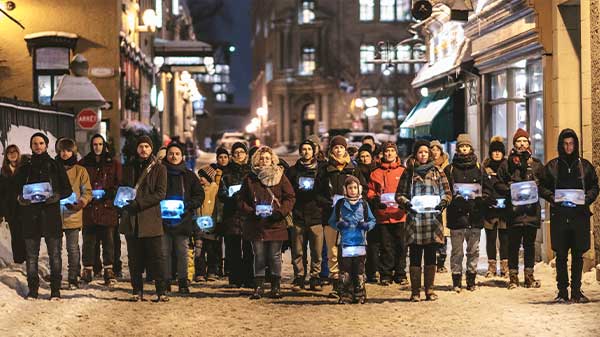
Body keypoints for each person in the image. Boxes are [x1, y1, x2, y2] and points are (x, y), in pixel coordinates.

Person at [540, 129, 599, 303]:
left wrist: (585, 199)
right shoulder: (552, 167)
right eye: (565, 143)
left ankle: (576, 290)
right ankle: (562, 291)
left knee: (578, 255)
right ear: (560, 145)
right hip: (560, 216)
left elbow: (594, 187)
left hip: (579, 216)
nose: (568, 147)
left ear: (576, 144)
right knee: (561, 255)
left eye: (571, 143)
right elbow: (542, 187)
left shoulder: (585, 166)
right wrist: (553, 198)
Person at [16, 133, 72, 299]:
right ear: (31, 146)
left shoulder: (55, 165)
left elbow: (67, 189)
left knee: (55, 255)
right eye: (35, 143)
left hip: (50, 217)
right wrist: (21, 199)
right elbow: (16, 191)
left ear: (46, 145)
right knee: (31, 257)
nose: (38, 146)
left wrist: (56, 196)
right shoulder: (25, 167)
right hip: (30, 217)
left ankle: (55, 289)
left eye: (41, 143)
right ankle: (33, 289)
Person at [395, 140, 451, 302]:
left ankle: (430, 290)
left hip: (432, 221)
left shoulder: (438, 172)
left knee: (431, 256)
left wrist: (443, 202)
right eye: (420, 152)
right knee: (414, 256)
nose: (423, 155)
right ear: (415, 154)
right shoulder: (409, 173)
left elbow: (447, 193)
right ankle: (415, 291)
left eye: (426, 152)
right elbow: (399, 195)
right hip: (415, 221)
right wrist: (407, 203)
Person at [238, 146, 295, 299]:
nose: (264, 161)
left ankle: (276, 286)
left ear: (272, 160)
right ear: (256, 159)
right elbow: (241, 200)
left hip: (275, 222)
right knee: (259, 255)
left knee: (275, 255)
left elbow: (290, 197)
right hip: (256, 223)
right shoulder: (250, 178)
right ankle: (258, 286)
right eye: (261, 158)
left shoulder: (280, 176)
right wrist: (251, 211)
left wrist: (280, 212)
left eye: (267, 158)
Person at [315, 135, 367, 298]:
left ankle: (352, 283)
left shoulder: (353, 168)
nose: (338, 150)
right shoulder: (325, 169)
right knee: (332, 251)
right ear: (331, 150)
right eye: (336, 147)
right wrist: (329, 202)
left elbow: (362, 188)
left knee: (350, 250)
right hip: (330, 216)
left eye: (341, 147)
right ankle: (337, 285)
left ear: (346, 149)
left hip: (351, 218)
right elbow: (317, 193)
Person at [120, 136, 168, 302]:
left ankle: (161, 291)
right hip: (132, 219)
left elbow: (160, 193)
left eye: (147, 146)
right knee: (135, 258)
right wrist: (122, 200)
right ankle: (137, 290)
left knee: (157, 257)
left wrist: (139, 203)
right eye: (141, 146)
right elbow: (123, 187)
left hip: (150, 219)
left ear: (151, 148)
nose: (143, 149)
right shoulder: (128, 167)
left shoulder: (159, 168)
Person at [497, 128, 545, 290]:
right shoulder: (507, 164)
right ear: (514, 144)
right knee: (513, 246)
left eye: (525, 141)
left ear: (529, 143)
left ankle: (529, 277)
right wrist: (510, 189)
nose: (522, 144)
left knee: (530, 246)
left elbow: (545, 184)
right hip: (514, 213)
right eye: (519, 141)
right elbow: (498, 183)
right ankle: (513, 277)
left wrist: (536, 186)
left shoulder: (536, 164)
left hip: (531, 212)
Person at [161, 143, 204, 294]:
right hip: (163, 221)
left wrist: (186, 206)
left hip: (182, 221)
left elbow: (199, 195)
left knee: (182, 253)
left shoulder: (189, 175)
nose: (174, 156)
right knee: (164, 253)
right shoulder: (160, 173)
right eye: (171, 153)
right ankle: (165, 282)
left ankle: (183, 282)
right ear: (166, 155)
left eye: (177, 153)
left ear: (182, 156)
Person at [79, 134, 122, 285]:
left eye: (100, 144)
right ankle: (88, 269)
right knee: (88, 240)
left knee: (108, 240)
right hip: (90, 208)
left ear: (104, 146)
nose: (97, 147)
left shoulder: (113, 163)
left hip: (107, 207)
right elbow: (79, 182)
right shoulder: (84, 163)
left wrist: (110, 193)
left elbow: (119, 184)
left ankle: (109, 269)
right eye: (95, 144)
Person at [444, 134, 485, 292]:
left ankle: (471, 279)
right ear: (458, 148)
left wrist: (482, 199)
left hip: (475, 216)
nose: (464, 149)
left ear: (471, 148)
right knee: (457, 251)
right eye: (461, 146)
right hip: (456, 217)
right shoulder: (450, 169)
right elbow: (445, 191)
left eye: (466, 146)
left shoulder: (479, 167)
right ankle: (456, 279)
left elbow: (485, 189)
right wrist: (454, 200)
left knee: (473, 250)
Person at [329, 176, 376, 304]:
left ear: (359, 189)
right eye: (350, 188)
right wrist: (338, 225)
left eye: (355, 188)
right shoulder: (340, 204)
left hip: (360, 242)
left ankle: (360, 293)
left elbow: (372, 220)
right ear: (345, 189)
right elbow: (331, 221)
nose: (353, 190)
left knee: (359, 270)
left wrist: (367, 226)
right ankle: (345, 294)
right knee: (345, 270)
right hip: (344, 243)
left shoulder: (364, 204)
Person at [367, 142, 408, 286]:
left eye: (392, 151)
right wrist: (375, 200)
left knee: (401, 246)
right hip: (383, 216)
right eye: (387, 151)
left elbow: (408, 190)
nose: (389, 154)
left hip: (400, 215)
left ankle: (400, 273)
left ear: (396, 154)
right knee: (386, 246)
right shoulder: (376, 172)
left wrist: (405, 203)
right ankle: (385, 274)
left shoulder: (403, 171)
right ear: (382, 154)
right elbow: (370, 191)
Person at [286, 139, 324, 291]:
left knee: (317, 251)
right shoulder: (293, 171)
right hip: (299, 214)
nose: (306, 152)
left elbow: (324, 191)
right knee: (298, 250)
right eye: (303, 149)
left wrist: (318, 198)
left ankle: (316, 277)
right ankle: (299, 277)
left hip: (316, 215)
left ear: (314, 151)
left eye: (309, 149)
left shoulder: (321, 169)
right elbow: (288, 192)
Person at [56, 138, 92, 289]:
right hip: (55, 215)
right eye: (62, 150)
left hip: (73, 214)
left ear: (73, 152)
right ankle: (56, 277)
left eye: (68, 150)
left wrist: (80, 203)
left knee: (72, 248)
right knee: (55, 249)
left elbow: (87, 192)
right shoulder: (53, 168)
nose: (65, 153)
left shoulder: (80, 171)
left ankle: (73, 277)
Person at [218, 142, 254, 288]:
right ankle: (235, 278)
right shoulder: (226, 173)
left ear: (246, 155)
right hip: (232, 215)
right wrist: (233, 197)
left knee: (248, 248)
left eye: (242, 152)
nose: (239, 154)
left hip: (248, 215)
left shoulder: (251, 172)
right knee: (233, 249)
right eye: (236, 152)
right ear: (232, 155)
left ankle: (249, 278)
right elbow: (222, 193)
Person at [482, 136, 510, 278]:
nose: (497, 153)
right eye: (494, 151)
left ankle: (505, 267)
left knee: (505, 239)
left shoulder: (508, 166)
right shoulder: (485, 168)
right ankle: (491, 266)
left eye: (500, 151)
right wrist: (487, 199)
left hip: (505, 210)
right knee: (491, 239)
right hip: (490, 210)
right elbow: (482, 188)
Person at [0, 145, 26, 264]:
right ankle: (18, 260)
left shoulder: (24, 168)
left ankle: (28, 260)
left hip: (24, 206)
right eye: (9, 152)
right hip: (10, 209)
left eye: (14, 151)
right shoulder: (4, 171)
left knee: (25, 234)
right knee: (15, 236)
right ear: (6, 156)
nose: (12, 154)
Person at [196, 165, 221, 281]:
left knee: (211, 250)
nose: (201, 179)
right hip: (199, 225)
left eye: (203, 177)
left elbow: (218, 185)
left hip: (212, 225)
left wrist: (218, 176)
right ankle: (200, 273)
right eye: (200, 176)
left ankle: (211, 271)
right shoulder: (197, 189)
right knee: (199, 251)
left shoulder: (214, 188)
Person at [430, 140, 450, 273]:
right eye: (433, 149)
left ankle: (441, 261)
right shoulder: (427, 166)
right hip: (431, 203)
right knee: (433, 232)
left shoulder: (447, 166)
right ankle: (433, 260)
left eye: (437, 149)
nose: (435, 152)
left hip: (444, 204)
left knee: (444, 232)